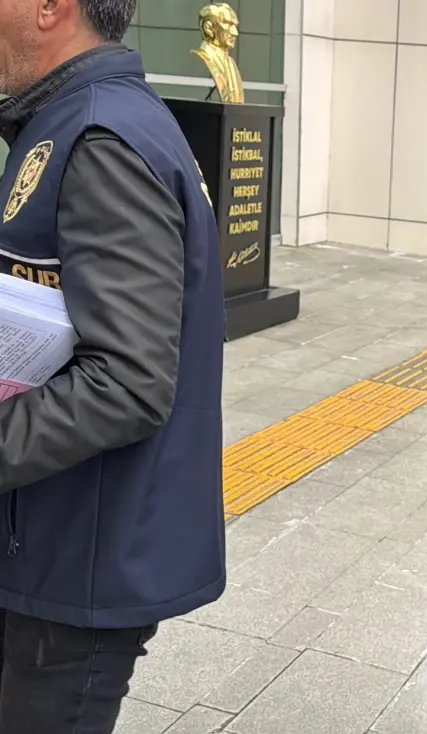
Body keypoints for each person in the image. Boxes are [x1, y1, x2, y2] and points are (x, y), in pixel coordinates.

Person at [0, 1, 225, 731]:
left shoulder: (101, 136)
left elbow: (128, 381)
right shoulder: (71, 121)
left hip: (77, 561)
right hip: (50, 536)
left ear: (50, 7)